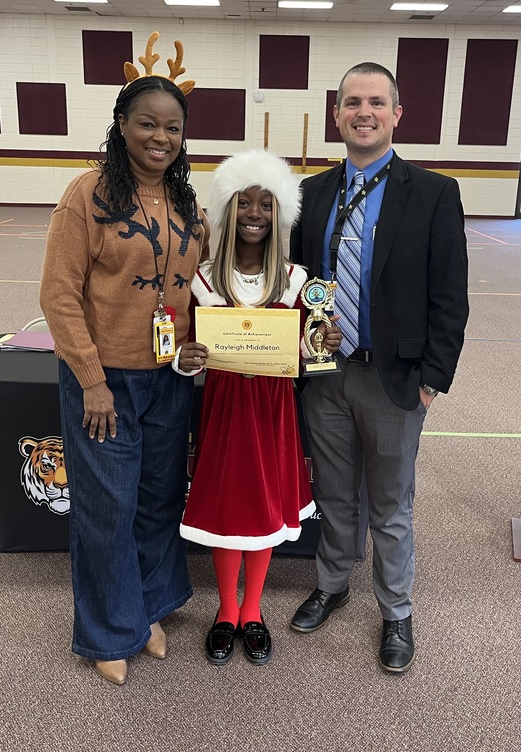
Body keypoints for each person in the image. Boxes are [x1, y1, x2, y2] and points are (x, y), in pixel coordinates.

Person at [288, 62, 469, 673]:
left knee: (390, 504)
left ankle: (396, 611)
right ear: (336, 115)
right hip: (322, 374)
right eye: (350, 102)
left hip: (395, 379)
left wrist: (432, 380)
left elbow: (451, 295)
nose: (362, 112)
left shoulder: (434, 193)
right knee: (334, 495)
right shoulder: (310, 195)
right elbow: (293, 285)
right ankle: (334, 583)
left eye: (375, 102)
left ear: (397, 114)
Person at [39, 75, 210, 686]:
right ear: (121, 125)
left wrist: (194, 345)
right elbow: (58, 296)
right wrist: (90, 380)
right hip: (104, 382)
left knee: (159, 499)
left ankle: (150, 608)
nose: (160, 136)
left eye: (173, 127)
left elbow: (198, 292)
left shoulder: (190, 205)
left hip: (169, 381)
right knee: (106, 507)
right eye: (147, 123)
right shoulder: (87, 195)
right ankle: (110, 631)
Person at [176, 148, 338, 666]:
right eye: (243, 204)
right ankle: (225, 610)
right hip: (223, 411)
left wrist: (321, 342)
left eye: (264, 205)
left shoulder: (295, 280)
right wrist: (187, 358)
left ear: (279, 214)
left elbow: (307, 348)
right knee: (229, 507)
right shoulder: (202, 280)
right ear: (227, 211)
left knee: (264, 505)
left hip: (272, 411)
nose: (252, 214)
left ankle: (252, 611)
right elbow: (176, 349)